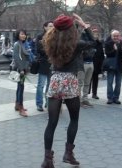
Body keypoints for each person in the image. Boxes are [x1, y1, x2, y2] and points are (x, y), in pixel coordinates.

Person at [41, 13, 95, 168]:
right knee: (74, 119)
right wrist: (84, 26)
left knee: (52, 123)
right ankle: (68, 153)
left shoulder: (49, 41)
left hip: (56, 80)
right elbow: (93, 42)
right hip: (70, 81)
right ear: (71, 29)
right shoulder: (75, 44)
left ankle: (47, 159)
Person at [104, 30, 122, 104]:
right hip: (110, 66)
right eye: (114, 36)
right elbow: (107, 54)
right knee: (109, 82)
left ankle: (116, 98)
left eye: (117, 36)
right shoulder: (108, 43)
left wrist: (121, 48)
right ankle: (110, 98)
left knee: (118, 83)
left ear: (119, 36)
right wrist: (114, 49)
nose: (116, 37)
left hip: (119, 66)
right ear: (111, 36)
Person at [35, 21, 53, 111]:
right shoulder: (40, 36)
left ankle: (48, 102)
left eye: (53, 26)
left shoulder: (55, 37)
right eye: (50, 26)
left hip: (52, 64)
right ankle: (39, 103)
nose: (52, 27)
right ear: (45, 27)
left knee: (50, 85)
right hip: (43, 63)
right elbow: (39, 50)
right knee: (40, 85)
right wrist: (50, 51)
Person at [13, 29, 30, 117]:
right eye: (22, 34)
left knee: (20, 86)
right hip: (20, 70)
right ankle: (21, 108)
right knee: (21, 87)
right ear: (18, 35)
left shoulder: (23, 44)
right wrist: (21, 69)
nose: (24, 36)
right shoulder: (17, 44)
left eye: (24, 34)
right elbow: (16, 58)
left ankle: (17, 104)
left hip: (23, 69)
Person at [78, 26, 96, 107]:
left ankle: (85, 99)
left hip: (91, 62)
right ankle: (78, 100)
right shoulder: (81, 38)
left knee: (87, 83)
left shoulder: (91, 38)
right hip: (83, 63)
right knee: (80, 82)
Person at [90, 28, 105, 99]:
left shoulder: (99, 43)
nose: (95, 34)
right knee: (88, 79)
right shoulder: (89, 42)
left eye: (96, 33)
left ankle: (94, 93)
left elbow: (102, 54)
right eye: (94, 32)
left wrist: (102, 64)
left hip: (97, 64)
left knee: (95, 79)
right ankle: (86, 93)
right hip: (89, 62)